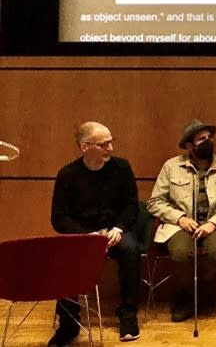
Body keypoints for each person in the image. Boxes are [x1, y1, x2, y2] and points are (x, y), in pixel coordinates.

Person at [50, 121, 142, 345]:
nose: (110, 148)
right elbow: (59, 218)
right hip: (83, 235)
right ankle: (69, 323)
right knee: (64, 258)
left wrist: (119, 228)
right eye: (103, 144)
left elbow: (131, 206)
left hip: (115, 230)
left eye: (111, 142)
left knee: (131, 249)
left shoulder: (122, 168)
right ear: (84, 147)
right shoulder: (67, 174)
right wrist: (89, 235)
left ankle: (128, 315)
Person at [147, 119, 216, 322]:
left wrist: (213, 223)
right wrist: (180, 219)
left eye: (209, 138)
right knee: (181, 253)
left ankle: (192, 296)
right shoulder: (171, 166)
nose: (208, 141)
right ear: (189, 146)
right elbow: (155, 202)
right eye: (201, 139)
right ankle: (192, 297)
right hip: (179, 225)